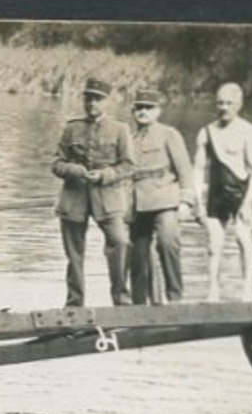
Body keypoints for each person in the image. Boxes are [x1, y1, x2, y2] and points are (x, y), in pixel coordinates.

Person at [52, 77, 135, 307]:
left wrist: (105, 175)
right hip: (74, 198)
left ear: (108, 102)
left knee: (119, 242)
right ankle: (75, 303)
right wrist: (73, 170)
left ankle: (121, 300)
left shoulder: (120, 129)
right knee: (74, 254)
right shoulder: (71, 128)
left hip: (107, 199)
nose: (91, 104)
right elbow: (56, 164)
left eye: (97, 99)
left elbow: (128, 165)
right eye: (88, 98)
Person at [193, 83, 252, 303]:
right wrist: (198, 200)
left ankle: (247, 290)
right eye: (220, 103)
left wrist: (248, 202)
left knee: (243, 238)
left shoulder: (249, 131)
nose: (223, 107)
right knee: (214, 244)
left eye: (229, 103)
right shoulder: (206, 132)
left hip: (241, 191)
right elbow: (197, 169)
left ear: (239, 105)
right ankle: (213, 291)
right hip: (216, 193)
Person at [126, 89, 196, 305]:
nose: (143, 111)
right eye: (139, 107)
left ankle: (175, 297)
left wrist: (186, 201)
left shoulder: (169, 134)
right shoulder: (128, 138)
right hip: (136, 202)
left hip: (165, 198)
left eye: (148, 107)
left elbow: (185, 170)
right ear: (133, 110)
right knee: (137, 255)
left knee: (168, 242)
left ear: (158, 111)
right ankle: (139, 305)